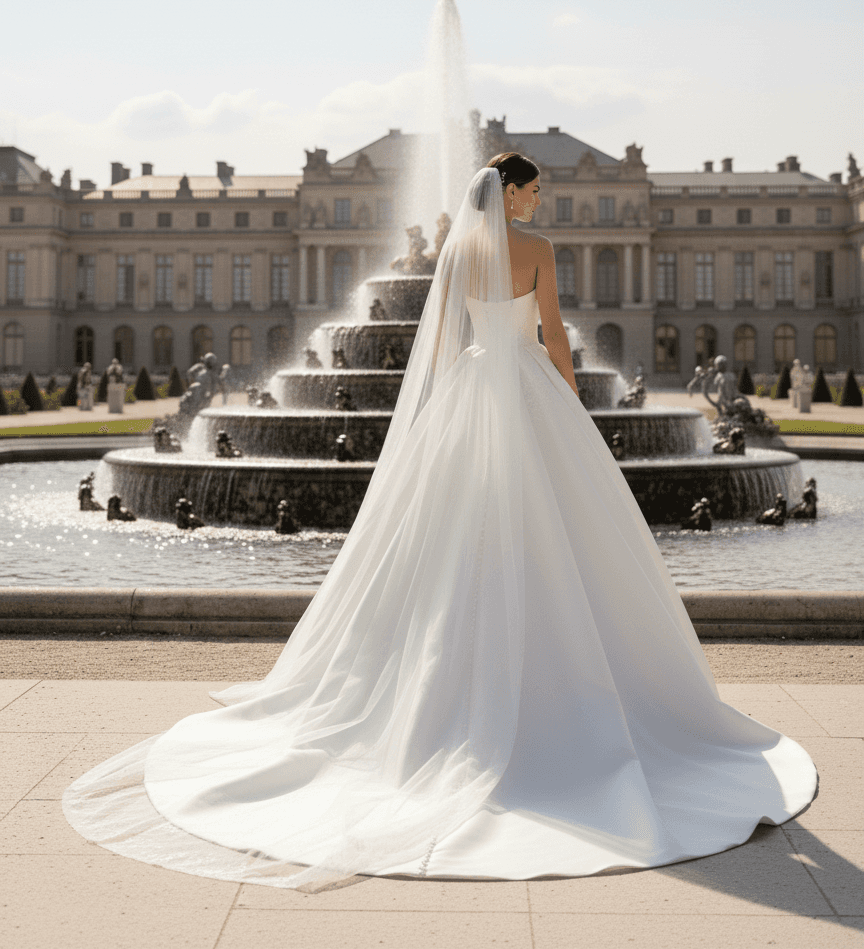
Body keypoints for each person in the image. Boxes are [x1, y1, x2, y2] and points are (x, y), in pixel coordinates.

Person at [64, 154, 816, 890]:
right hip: (525, 386)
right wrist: (568, 399)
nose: (538, 201)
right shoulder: (536, 250)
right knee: (563, 525)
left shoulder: (459, 252)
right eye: (534, 190)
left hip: (471, 387)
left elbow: (446, 341)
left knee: (450, 530)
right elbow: (554, 335)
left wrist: (462, 390)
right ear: (512, 191)